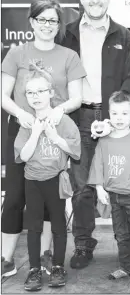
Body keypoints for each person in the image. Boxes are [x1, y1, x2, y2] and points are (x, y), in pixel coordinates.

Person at [59, 0, 130, 269]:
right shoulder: (65, 33)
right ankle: (83, 244)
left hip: (116, 119)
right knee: (82, 188)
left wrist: (114, 117)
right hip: (79, 118)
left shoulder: (124, 34)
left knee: (124, 184)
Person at [1, 0, 85, 277]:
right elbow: (3, 96)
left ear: (59, 24)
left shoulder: (69, 56)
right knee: (14, 197)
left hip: (53, 132)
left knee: (51, 198)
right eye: (42, 19)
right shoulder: (17, 53)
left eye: (53, 20)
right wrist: (21, 113)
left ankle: (48, 255)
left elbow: (76, 98)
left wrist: (60, 111)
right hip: (22, 131)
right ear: (31, 22)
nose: (47, 25)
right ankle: (7, 260)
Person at [14, 68, 81, 291]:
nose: (36, 96)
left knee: (59, 225)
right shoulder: (26, 122)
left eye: (41, 91)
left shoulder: (64, 121)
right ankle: (34, 269)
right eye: (30, 92)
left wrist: (54, 136)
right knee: (33, 226)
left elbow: (74, 151)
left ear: (51, 92)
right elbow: (23, 156)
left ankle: (58, 267)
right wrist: (35, 132)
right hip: (32, 181)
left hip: (55, 180)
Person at [87, 91, 130, 286]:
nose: (119, 118)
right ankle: (126, 267)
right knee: (121, 235)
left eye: (124, 113)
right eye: (115, 113)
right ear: (109, 113)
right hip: (114, 197)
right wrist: (100, 189)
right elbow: (98, 166)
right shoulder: (104, 141)